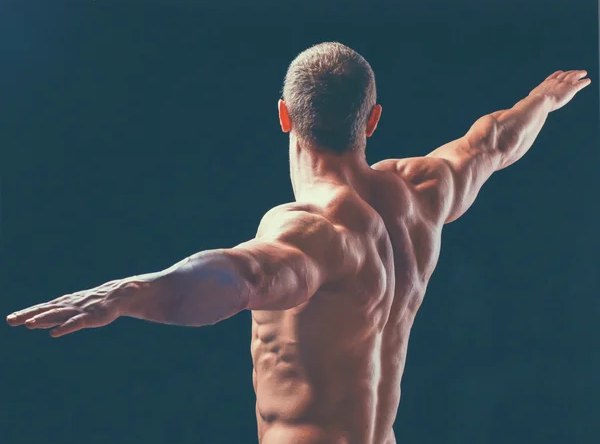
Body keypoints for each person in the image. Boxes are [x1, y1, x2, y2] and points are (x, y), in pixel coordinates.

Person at [7, 42, 591, 444]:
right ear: (372, 120)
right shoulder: (422, 194)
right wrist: (543, 99)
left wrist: (132, 291)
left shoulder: (312, 227)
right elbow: (492, 141)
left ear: (285, 116)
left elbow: (249, 277)